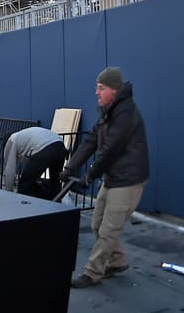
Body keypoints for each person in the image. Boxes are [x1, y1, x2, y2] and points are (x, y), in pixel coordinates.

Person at [63, 67, 150, 289]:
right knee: (97, 223)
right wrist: (70, 167)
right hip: (113, 177)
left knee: (108, 230)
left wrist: (89, 175)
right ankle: (117, 261)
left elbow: (111, 149)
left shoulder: (125, 113)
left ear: (114, 89)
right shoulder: (108, 112)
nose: (96, 92)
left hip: (128, 179)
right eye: (97, 87)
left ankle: (92, 273)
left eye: (101, 88)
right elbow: (91, 141)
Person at [0, 126, 68, 199]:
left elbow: (10, 170)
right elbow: (29, 165)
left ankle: (23, 207)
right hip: (60, 146)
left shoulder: (11, 140)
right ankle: (56, 205)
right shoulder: (24, 136)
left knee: (24, 186)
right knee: (55, 182)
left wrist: (9, 194)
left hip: (44, 148)